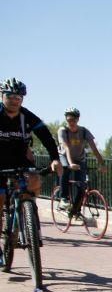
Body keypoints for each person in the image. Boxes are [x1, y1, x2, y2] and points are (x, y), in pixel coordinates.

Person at [0, 77, 61, 215]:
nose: (14, 101)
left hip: (19, 157)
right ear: (2, 95)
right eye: (10, 96)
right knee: (0, 197)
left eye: (18, 97)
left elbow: (46, 137)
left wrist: (55, 159)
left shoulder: (27, 116)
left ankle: (26, 216)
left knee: (33, 180)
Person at [57, 107, 105, 216]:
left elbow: (94, 148)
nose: (71, 122)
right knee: (65, 168)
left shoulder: (83, 131)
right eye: (69, 120)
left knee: (82, 186)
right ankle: (63, 199)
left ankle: (75, 210)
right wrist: (70, 164)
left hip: (79, 159)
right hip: (64, 156)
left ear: (78, 119)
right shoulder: (63, 130)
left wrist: (102, 164)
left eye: (73, 120)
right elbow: (66, 147)